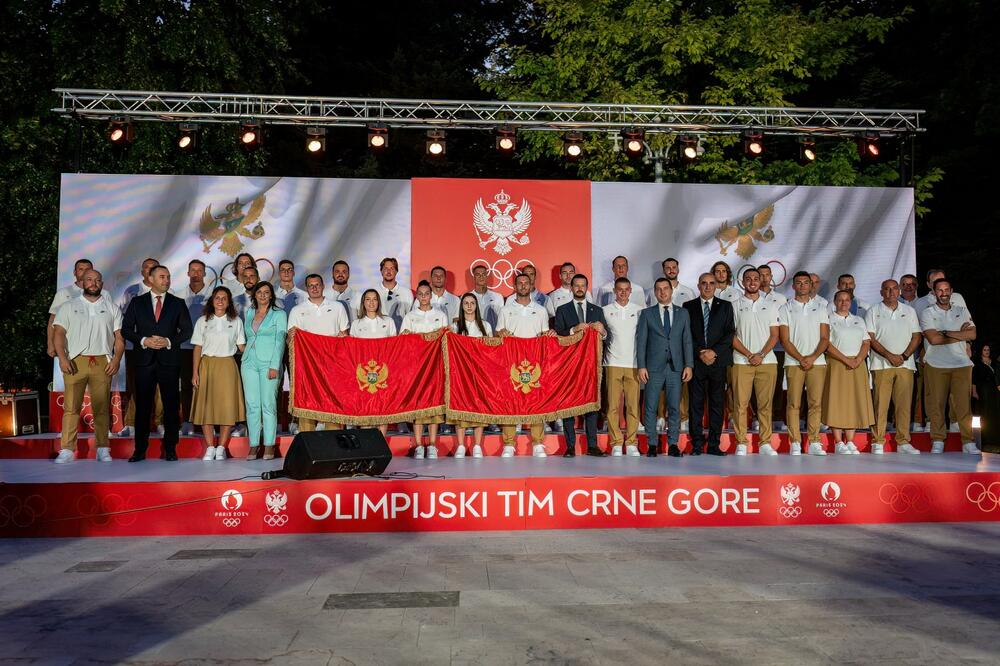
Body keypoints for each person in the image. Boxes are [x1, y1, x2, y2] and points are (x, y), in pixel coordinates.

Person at [121, 265, 193, 462]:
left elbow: (187, 331)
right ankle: (140, 450)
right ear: (150, 279)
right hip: (144, 361)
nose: (166, 280)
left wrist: (169, 341)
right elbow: (126, 330)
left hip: (169, 361)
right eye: (162, 277)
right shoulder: (137, 302)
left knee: (171, 407)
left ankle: (170, 449)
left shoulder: (177, 303)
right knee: (143, 407)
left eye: (168, 277)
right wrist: (144, 340)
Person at [52, 270, 124, 463]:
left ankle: (103, 448)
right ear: (82, 282)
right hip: (75, 360)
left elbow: (119, 338)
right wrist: (62, 358)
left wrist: (116, 360)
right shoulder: (68, 306)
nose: (93, 283)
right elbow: (58, 333)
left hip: (102, 361)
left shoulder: (112, 308)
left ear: (102, 283)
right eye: (89, 280)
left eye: (97, 280)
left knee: (101, 408)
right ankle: (67, 449)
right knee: (71, 407)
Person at [497, 272, 556, 457]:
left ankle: (538, 442)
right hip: (511, 362)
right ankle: (509, 443)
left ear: (531, 286)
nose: (523, 285)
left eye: (526, 283)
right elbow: (498, 334)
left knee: (536, 400)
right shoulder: (506, 310)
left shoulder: (540, 310)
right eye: (519, 283)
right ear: (514, 287)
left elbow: (544, 336)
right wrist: (502, 334)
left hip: (534, 363)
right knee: (510, 401)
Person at [919, 278, 979, 454]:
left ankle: (968, 441)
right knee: (936, 405)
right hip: (936, 364)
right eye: (940, 290)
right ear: (934, 292)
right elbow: (933, 339)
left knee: (963, 405)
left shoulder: (961, 310)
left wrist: (946, 333)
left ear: (951, 291)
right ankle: (938, 440)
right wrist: (961, 334)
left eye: (946, 290)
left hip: (961, 363)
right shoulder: (928, 313)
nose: (943, 293)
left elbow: (973, 334)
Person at [865, 279, 923, 455]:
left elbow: (916, 336)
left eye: (894, 289)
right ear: (881, 292)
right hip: (881, 364)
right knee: (880, 405)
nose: (891, 292)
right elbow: (870, 338)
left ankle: (903, 442)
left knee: (904, 405)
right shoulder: (873, 311)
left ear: (899, 291)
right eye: (887, 289)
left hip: (905, 365)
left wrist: (904, 356)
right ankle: (878, 441)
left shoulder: (909, 311)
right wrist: (889, 356)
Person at [637, 278, 693, 457]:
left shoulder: (683, 313)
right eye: (659, 289)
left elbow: (687, 340)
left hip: (675, 367)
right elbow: (642, 342)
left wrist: (689, 365)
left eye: (665, 289)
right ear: (655, 292)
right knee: (651, 406)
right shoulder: (647, 314)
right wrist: (641, 366)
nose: (662, 292)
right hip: (653, 367)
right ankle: (652, 443)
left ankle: (673, 444)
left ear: (671, 291)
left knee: (674, 407)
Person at [553, 274, 608, 457]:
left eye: (582, 285)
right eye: (576, 285)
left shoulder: (597, 310)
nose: (579, 288)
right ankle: (570, 446)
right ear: (571, 288)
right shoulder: (562, 309)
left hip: (590, 365)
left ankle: (592, 445)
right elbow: (558, 335)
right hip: (568, 366)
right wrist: (573, 330)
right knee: (569, 404)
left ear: (586, 287)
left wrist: (603, 331)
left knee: (591, 404)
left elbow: (606, 337)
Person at [287, 274, 350, 433]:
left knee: (332, 399)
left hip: (333, 363)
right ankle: (307, 438)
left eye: (317, 284)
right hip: (308, 365)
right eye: (310, 285)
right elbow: (291, 340)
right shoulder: (297, 310)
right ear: (306, 288)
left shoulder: (337, 307)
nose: (314, 288)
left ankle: (333, 438)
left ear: (323, 286)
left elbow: (344, 335)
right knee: (307, 398)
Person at [190, 287, 246, 461]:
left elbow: (242, 347)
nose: (220, 301)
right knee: (206, 407)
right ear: (212, 301)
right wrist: (195, 373)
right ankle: (210, 447)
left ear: (229, 302)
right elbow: (197, 348)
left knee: (227, 407)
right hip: (206, 365)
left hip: (228, 366)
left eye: (224, 298)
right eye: (217, 297)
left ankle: (221, 447)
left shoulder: (236, 321)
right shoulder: (202, 321)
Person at [778, 271, 830, 456]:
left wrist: (813, 357)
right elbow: (784, 339)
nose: (802, 286)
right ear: (793, 286)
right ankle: (795, 442)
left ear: (811, 285)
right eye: (798, 283)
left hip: (817, 362)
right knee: (793, 403)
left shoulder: (822, 308)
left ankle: (815, 441)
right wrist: (801, 358)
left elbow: (825, 338)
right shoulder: (785, 308)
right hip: (794, 362)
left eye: (805, 283)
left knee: (815, 403)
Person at [684, 272, 735, 456]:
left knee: (716, 405)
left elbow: (730, 333)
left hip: (717, 362)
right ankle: (697, 444)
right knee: (695, 405)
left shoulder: (726, 306)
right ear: (698, 286)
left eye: (711, 283)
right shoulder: (688, 306)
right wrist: (700, 352)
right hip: (697, 363)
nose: (707, 286)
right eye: (704, 283)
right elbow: (686, 334)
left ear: (716, 286)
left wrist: (713, 352)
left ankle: (714, 444)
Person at [731, 268, 780, 456]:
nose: (752, 281)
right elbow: (731, 335)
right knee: (740, 404)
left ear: (761, 281)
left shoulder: (771, 305)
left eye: (756, 278)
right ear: (742, 282)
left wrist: (760, 354)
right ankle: (741, 442)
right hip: (741, 361)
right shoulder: (734, 305)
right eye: (748, 279)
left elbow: (775, 335)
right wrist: (749, 354)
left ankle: (765, 442)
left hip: (767, 361)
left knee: (765, 404)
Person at [401, 280, 450, 458]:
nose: (423, 297)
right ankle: (419, 445)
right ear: (417, 296)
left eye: (426, 294)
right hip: (416, 368)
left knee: (434, 406)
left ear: (431, 295)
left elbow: (446, 339)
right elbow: (404, 342)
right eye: (420, 294)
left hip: (435, 366)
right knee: (418, 405)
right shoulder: (410, 317)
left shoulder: (440, 315)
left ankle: (432, 444)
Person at [824, 289, 875, 454]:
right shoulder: (828, 319)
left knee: (853, 400)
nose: (844, 303)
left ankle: (851, 441)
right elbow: (827, 344)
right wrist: (846, 360)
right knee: (837, 400)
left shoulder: (858, 320)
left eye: (847, 300)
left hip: (857, 364)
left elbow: (866, 342)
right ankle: (839, 442)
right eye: (840, 299)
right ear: (834, 301)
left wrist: (858, 360)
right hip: (838, 363)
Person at [117, 257, 163, 436]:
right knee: (135, 384)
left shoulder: (168, 291)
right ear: (142, 271)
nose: (150, 270)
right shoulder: (132, 291)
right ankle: (131, 423)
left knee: (160, 385)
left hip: (159, 346)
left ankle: (160, 422)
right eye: (146, 267)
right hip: (135, 346)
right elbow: (123, 318)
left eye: (154, 268)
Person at [243, 281, 286, 460]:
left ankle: (269, 444)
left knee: (268, 405)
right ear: (254, 295)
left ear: (271, 295)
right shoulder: (249, 312)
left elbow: (280, 340)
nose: (262, 295)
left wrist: (274, 365)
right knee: (252, 405)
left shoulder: (279, 314)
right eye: (259, 292)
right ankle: (254, 444)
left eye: (266, 292)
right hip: (248, 362)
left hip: (269, 363)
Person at [602, 277, 644, 457]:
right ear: (614, 291)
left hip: (633, 364)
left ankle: (632, 442)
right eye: (620, 289)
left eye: (627, 289)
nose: (623, 292)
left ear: (631, 291)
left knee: (633, 406)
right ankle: (616, 442)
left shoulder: (640, 311)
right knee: (612, 406)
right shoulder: (604, 311)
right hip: (612, 364)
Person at [348, 289, 397, 439]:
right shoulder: (356, 324)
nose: (371, 302)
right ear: (363, 303)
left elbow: (394, 346)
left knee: (382, 407)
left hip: (384, 371)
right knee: (365, 407)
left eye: (374, 299)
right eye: (368, 299)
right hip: (363, 374)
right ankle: (367, 443)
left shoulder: (388, 322)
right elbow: (352, 350)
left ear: (379, 302)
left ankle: (381, 443)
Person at [172, 259, 212, 435]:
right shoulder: (177, 295)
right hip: (185, 348)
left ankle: (208, 420)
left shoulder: (213, 297)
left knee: (208, 386)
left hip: (209, 349)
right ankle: (188, 420)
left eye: (199, 270)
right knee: (187, 385)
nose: (196, 273)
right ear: (187, 273)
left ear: (204, 273)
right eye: (192, 270)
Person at [451, 293, 494, 458]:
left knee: (479, 405)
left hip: (479, 373)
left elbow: (491, 350)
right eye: (466, 303)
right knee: (460, 405)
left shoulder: (485, 326)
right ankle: (461, 445)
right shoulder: (455, 327)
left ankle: (477, 445)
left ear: (477, 306)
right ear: (462, 306)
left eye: (472, 303)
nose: (469, 306)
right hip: (461, 374)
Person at [47, 258, 94, 359]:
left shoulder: (103, 294)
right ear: (74, 272)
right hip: (70, 351)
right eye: (81, 269)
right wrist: (50, 344)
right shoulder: (63, 293)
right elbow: (52, 320)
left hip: (96, 351)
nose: (85, 272)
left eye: (88, 269)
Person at [972, 344, 1000, 452]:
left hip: (994, 391)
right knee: (984, 413)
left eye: (988, 349)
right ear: (981, 351)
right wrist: (974, 391)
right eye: (984, 350)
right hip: (983, 390)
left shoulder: (994, 363)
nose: (987, 351)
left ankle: (995, 439)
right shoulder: (978, 364)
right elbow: (974, 379)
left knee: (994, 413)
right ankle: (984, 439)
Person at [375, 257, 414, 328]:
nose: (389, 271)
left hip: (400, 335)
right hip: (379, 335)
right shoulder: (373, 292)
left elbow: (411, 317)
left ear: (396, 271)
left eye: (392, 268)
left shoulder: (406, 292)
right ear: (381, 271)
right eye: (386, 268)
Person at [470, 264, 505, 330]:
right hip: (473, 335)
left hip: (492, 335)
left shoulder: (498, 297)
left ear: (487, 276)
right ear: (474, 277)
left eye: (483, 274)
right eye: (478, 274)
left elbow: (502, 319)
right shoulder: (467, 297)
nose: (481, 277)